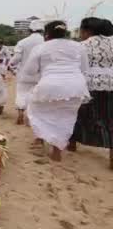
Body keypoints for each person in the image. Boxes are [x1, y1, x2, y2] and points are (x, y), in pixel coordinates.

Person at [25, 21, 90, 162]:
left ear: (46, 34)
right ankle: (57, 150)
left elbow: (29, 71)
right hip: (75, 86)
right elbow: (84, 69)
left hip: (50, 84)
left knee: (35, 110)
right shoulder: (79, 46)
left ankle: (41, 139)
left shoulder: (40, 47)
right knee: (66, 118)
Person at [70, 17, 113, 168]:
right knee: (110, 120)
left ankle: (72, 144)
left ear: (87, 31)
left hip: (88, 85)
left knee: (79, 115)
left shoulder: (82, 45)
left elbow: (75, 66)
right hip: (111, 85)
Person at [9, 20, 45, 125]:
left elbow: (16, 59)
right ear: (42, 30)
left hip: (24, 74)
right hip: (40, 75)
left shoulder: (23, 42)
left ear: (29, 30)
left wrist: (11, 64)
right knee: (35, 96)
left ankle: (20, 112)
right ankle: (31, 118)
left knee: (21, 94)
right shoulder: (46, 42)